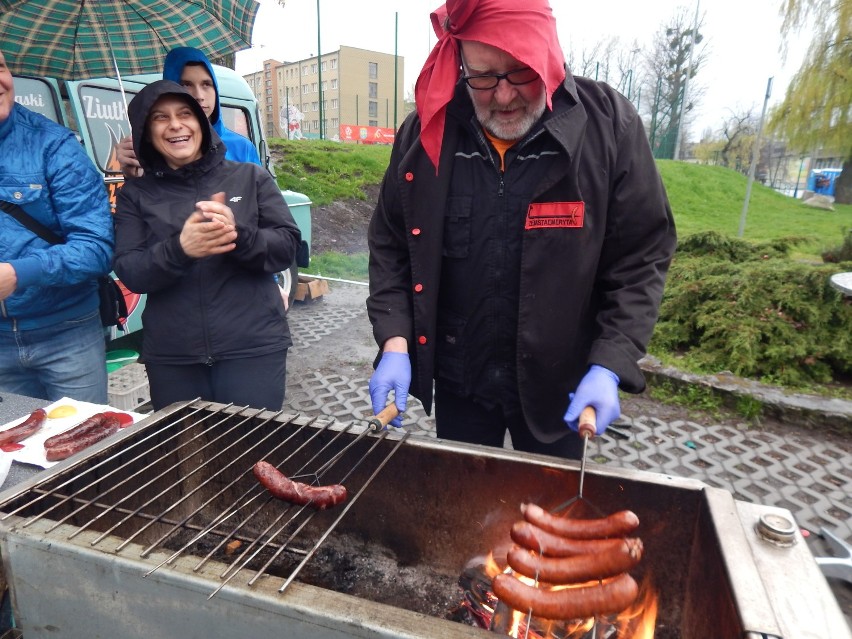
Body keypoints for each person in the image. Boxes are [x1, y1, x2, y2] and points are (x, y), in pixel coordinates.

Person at [366, 0, 677, 459]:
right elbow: (392, 244)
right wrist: (395, 339)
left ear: (549, 56)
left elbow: (641, 254)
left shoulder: (609, 126)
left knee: (549, 515)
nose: (504, 96)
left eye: (521, 72)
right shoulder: (425, 134)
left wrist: (611, 362)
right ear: (460, 64)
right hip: (461, 382)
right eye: (483, 77)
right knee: (468, 512)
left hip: (561, 391)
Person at [113, 80, 300, 411]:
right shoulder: (135, 195)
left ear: (201, 121)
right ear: (146, 130)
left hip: (252, 349)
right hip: (174, 358)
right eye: (160, 117)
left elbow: (287, 246)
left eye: (185, 113)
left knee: (250, 451)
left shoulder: (250, 177)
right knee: (185, 456)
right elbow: (132, 271)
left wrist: (239, 235)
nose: (175, 125)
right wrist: (180, 249)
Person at [0, 49, 114, 404]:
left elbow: (97, 248)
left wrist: (18, 273)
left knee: (87, 451)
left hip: (67, 333)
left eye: (0, 66)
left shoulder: (54, 145)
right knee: (14, 456)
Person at [116, 46, 261, 177]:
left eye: (206, 84)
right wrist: (133, 175)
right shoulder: (153, 148)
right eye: (186, 85)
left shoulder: (242, 147)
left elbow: (260, 199)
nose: (199, 95)